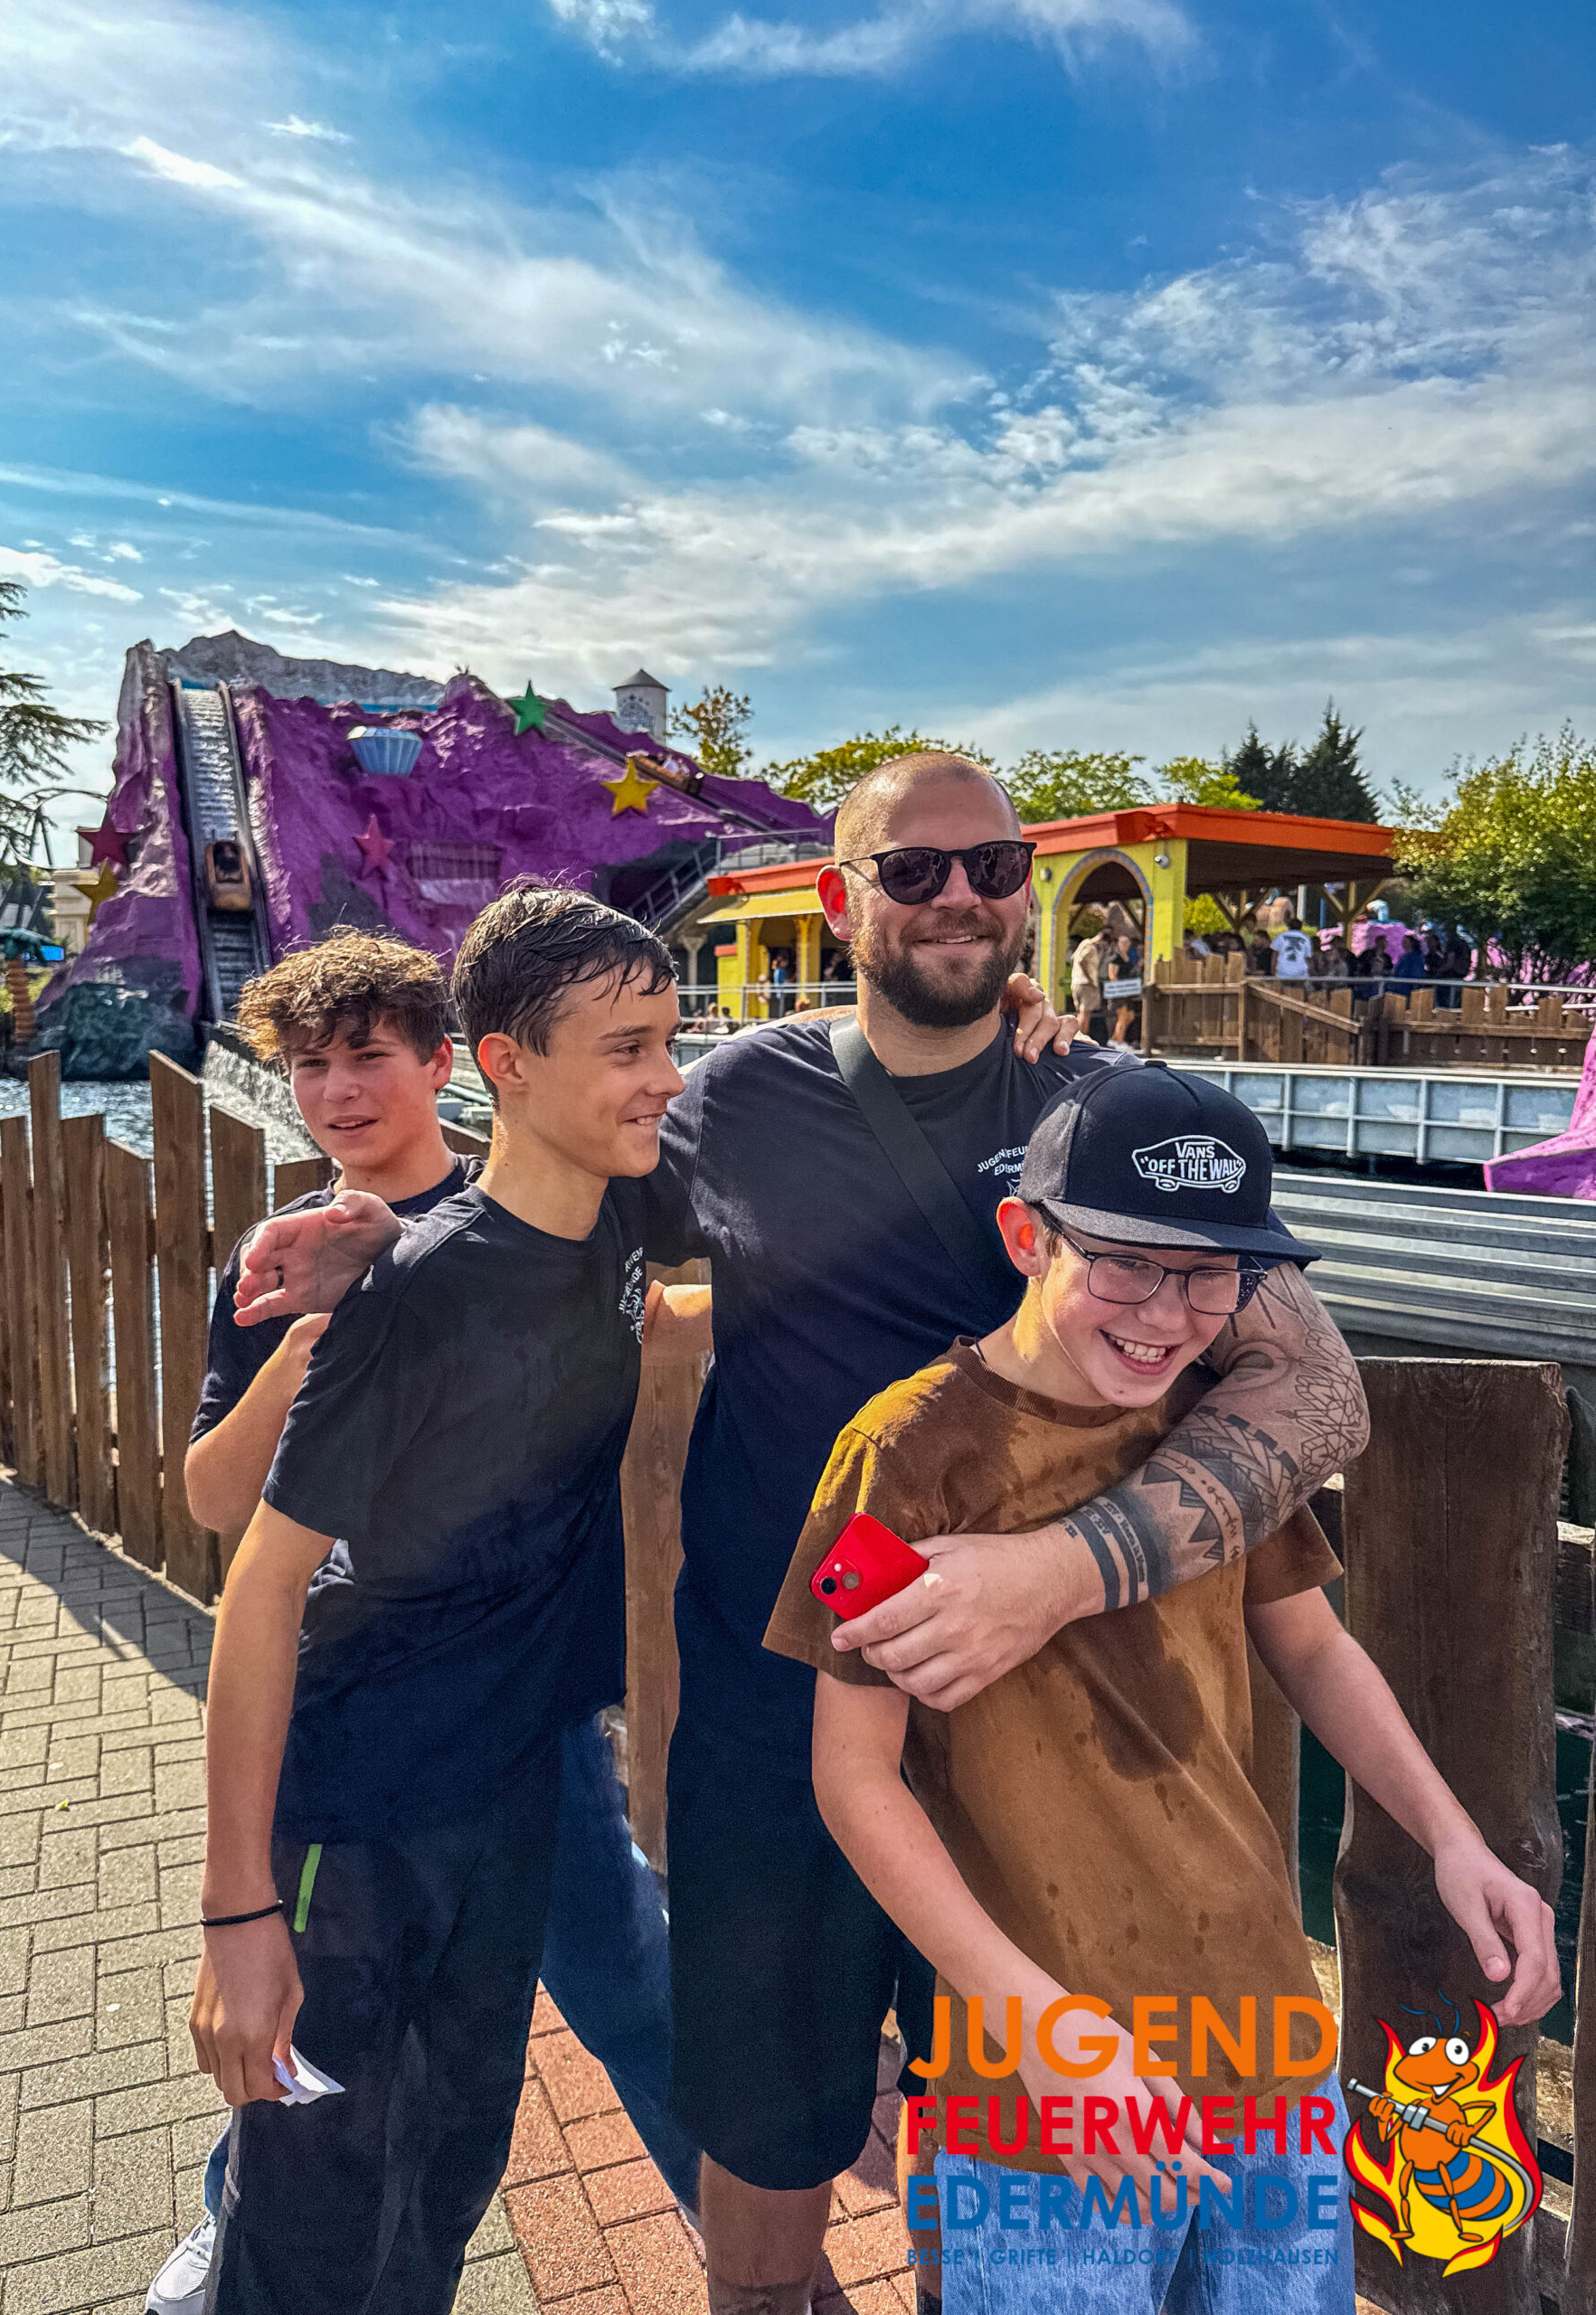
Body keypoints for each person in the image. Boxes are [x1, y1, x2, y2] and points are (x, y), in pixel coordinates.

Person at [240, 752, 1370, 2315]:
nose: (959, 896)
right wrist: (392, 1233)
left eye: (994, 866)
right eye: (914, 870)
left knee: (1019, 2150)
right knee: (765, 2125)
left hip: (1037, 1754)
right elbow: (555, 1200)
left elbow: (1318, 1390)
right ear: (843, 899)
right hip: (777, 1727)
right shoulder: (731, 1098)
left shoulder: (1104, 1106)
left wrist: (1061, 1570)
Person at [766, 1064, 1559, 2312]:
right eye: (1127, 1263)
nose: (1168, 1313)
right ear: (1027, 1237)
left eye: (1211, 1274)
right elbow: (852, 1774)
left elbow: (1315, 1649)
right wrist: (1034, 2024)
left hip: (1267, 2038)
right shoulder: (903, 1454)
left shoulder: (1213, 1437)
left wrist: (1455, 1840)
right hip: (1039, 2081)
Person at [145, 931, 702, 2315]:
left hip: (519, 1750)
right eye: (309, 1067)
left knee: (453, 2149)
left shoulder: (598, 1197)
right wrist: (237, 1910)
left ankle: (749, 2243)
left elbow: (658, 1237)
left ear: (448, 1063)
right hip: (362, 1778)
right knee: (318, 2173)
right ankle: (245, 2225)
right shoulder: (338, 1274)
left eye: (367, 1057)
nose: (338, 1090)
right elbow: (240, 1554)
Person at [1069, 924, 1107, 1036]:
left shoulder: (1083, 944)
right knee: (1085, 1013)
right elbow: (1082, 960)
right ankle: (1081, 1036)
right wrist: (1089, 978)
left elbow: (1073, 958)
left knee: (1081, 1012)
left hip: (1077, 982)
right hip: (1086, 984)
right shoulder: (1090, 947)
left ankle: (1079, 1035)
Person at [1271, 915, 1315, 981]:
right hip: (1300, 973)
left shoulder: (1281, 936)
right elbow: (1309, 958)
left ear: (1288, 926)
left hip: (1283, 972)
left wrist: (1272, 970)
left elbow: (1274, 955)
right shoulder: (1306, 939)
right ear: (1301, 927)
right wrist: (1311, 972)